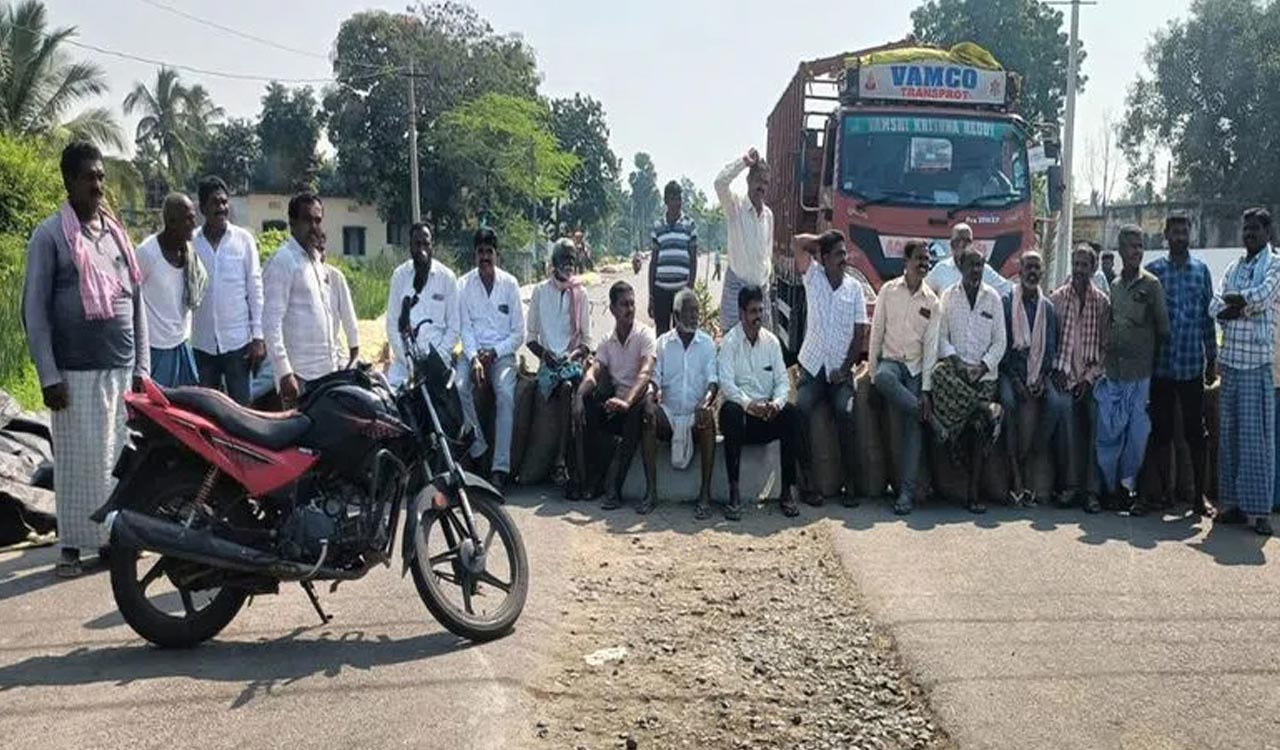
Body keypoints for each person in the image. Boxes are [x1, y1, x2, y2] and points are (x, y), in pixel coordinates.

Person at [22, 141, 150, 577]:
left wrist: (141, 368)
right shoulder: (49, 235)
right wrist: (47, 374)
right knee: (78, 464)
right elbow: (34, 311)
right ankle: (72, 548)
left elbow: (135, 303)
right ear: (68, 181)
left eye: (100, 176)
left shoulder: (115, 234)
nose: (97, 185)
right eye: (88, 177)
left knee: (114, 460)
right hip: (72, 374)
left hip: (120, 366)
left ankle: (110, 540)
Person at [1211, 208, 1280, 536]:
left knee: (1258, 440)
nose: (1249, 234)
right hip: (1231, 365)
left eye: (1255, 229)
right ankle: (1231, 505)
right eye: (1246, 229)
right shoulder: (1234, 267)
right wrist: (1238, 306)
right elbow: (1215, 305)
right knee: (1230, 439)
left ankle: (1261, 512)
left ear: (1268, 232)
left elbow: (1264, 296)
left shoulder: (1276, 263)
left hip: (1256, 365)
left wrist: (1237, 304)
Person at [790, 230, 869, 508]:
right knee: (799, 411)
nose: (843, 259)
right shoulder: (813, 278)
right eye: (837, 254)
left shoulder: (854, 289)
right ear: (823, 258)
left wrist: (845, 369)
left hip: (839, 372)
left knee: (845, 414)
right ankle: (809, 483)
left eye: (844, 254)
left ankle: (851, 482)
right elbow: (797, 243)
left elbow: (860, 332)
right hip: (813, 368)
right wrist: (824, 239)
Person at [1094, 226, 1169, 514]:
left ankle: (1128, 488)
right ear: (1121, 250)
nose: (1136, 251)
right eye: (1131, 246)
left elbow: (1163, 330)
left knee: (1137, 438)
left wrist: (1155, 372)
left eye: (1140, 246)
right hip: (1114, 372)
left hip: (1141, 375)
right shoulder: (1112, 286)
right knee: (1109, 433)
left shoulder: (1152, 285)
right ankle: (1110, 489)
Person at [926, 247, 1007, 514]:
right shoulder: (947, 297)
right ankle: (985, 407)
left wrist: (982, 367)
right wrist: (959, 364)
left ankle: (973, 494)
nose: (976, 271)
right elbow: (941, 339)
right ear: (960, 266)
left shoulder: (993, 298)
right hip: (956, 374)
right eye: (971, 265)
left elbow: (1000, 342)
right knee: (938, 374)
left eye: (980, 266)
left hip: (983, 377)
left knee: (977, 427)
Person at [1145, 215, 1216, 516]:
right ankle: (1165, 494)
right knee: (1161, 432)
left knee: (1194, 433)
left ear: (1190, 234)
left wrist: (1212, 358)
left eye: (1184, 231)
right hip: (1160, 367)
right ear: (1166, 236)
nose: (1180, 236)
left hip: (1190, 366)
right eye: (1174, 232)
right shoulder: (1154, 272)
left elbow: (1208, 317)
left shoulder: (1202, 271)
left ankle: (1199, 497)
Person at [717, 284, 801, 520]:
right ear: (742, 313)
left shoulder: (772, 342)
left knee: (792, 414)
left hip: (767, 416)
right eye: (753, 312)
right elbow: (727, 384)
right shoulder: (730, 343)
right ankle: (734, 493)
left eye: (761, 311)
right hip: (743, 418)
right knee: (730, 412)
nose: (758, 317)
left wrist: (776, 403)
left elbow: (783, 382)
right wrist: (750, 405)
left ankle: (787, 491)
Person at [571, 281, 657, 512]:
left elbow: (645, 374)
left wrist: (626, 401)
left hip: (639, 399)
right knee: (588, 407)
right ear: (612, 309)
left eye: (632, 304)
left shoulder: (644, 335)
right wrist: (579, 396)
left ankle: (616, 489)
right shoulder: (607, 341)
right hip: (617, 401)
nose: (630, 309)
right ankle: (590, 480)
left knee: (636, 411)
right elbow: (594, 371)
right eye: (624, 304)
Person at [869, 240, 940, 515]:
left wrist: (926, 390)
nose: (924, 263)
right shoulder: (888, 291)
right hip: (890, 364)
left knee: (914, 425)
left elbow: (931, 349)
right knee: (885, 380)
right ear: (906, 261)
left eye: (927, 260)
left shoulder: (932, 302)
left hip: (914, 369)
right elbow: (876, 333)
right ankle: (930, 418)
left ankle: (906, 494)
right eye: (919, 258)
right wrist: (873, 373)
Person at [997, 251, 1069, 507]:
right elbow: (1002, 346)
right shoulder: (1006, 302)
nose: (1032, 273)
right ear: (1020, 271)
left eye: (1037, 269)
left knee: (1057, 405)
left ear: (1042, 273)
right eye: (1028, 267)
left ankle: (1032, 455)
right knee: (1008, 402)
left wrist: (1039, 378)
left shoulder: (1047, 307)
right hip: (1010, 372)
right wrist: (1017, 379)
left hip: (1038, 372)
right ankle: (1014, 467)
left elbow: (1050, 348)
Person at [457, 227, 524, 490]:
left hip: (502, 355)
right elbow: (464, 328)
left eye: (489, 252)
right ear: (475, 254)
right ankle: (478, 450)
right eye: (480, 252)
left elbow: (518, 333)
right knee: (460, 386)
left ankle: (499, 468)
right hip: (472, 353)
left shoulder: (510, 284)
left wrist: (494, 352)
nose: (484, 257)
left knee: (506, 395)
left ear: (497, 254)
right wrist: (474, 358)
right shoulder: (463, 284)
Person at [191, 175, 265, 405]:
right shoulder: (191, 242)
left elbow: (255, 288)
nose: (222, 208)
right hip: (202, 345)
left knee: (243, 412)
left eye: (224, 202)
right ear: (203, 208)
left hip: (238, 344)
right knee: (208, 411)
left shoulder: (243, 240)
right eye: (215, 203)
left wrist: (258, 337)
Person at [1048, 243, 1111, 512]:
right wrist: (1057, 371)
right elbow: (1049, 340)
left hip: (1091, 378)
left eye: (1085, 265)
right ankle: (1070, 487)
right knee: (1066, 422)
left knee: (1096, 421)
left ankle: (1092, 492)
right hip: (1063, 375)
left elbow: (1105, 348)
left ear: (1094, 268)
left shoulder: (1102, 302)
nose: (1079, 270)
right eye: (1076, 264)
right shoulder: (1057, 299)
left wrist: (1088, 378)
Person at [528, 238, 592, 491]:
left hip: (571, 362)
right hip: (547, 364)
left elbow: (586, 341)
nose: (568, 265)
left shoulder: (581, 293)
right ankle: (560, 461)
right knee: (561, 383)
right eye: (564, 259)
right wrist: (546, 355)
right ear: (553, 263)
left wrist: (572, 355)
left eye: (572, 260)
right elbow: (530, 339)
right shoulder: (540, 292)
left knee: (567, 387)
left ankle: (561, 460)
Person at [262, 192, 336, 408]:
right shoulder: (283, 260)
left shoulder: (315, 261)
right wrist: (284, 373)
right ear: (292, 223)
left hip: (324, 375)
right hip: (299, 377)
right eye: (307, 220)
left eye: (318, 220)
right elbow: (271, 322)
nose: (314, 226)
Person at [650, 289, 719, 518]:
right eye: (689, 312)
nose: (694, 317)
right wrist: (652, 394)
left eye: (697, 312)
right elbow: (654, 379)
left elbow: (713, 382)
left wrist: (705, 402)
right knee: (647, 414)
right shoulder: (662, 344)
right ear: (676, 315)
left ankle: (705, 495)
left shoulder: (707, 344)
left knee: (708, 419)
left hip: (694, 417)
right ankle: (651, 492)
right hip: (669, 416)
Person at [136, 193, 206, 388]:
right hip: (154, 348)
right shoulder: (147, 253)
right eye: (188, 219)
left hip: (182, 343)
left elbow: (199, 283)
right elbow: (129, 295)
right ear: (172, 222)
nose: (194, 224)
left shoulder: (189, 252)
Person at [386, 223, 459, 387]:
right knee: (390, 406)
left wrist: (436, 360)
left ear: (432, 245)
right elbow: (392, 324)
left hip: (437, 362)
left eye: (426, 244)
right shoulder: (399, 276)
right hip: (404, 366)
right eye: (417, 244)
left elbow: (454, 327)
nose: (422, 250)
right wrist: (408, 361)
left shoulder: (447, 278)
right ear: (410, 246)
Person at [714, 147, 774, 332]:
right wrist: (744, 162)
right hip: (736, 291)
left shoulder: (768, 216)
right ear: (749, 180)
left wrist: (767, 280)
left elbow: (767, 253)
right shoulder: (735, 206)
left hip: (760, 293)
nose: (761, 187)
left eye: (765, 182)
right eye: (758, 181)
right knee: (731, 346)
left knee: (763, 349)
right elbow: (719, 183)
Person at [649, 181, 698, 334]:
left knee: (682, 333)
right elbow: (654, 262)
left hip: (681, 290)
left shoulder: (689, 225)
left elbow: (693, 260)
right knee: (662, 334)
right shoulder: (658, 226)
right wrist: (651, 295)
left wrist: (689, 288)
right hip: (660, 290)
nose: (677, 203)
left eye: (679, 198)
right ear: (666, 201)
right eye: (672, 199)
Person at [924, 223, 1013, 296]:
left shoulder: (983, 270)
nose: (962, 245)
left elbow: (1008, 289)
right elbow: (923, 291)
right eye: (958, 241)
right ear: (951, 245)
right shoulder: (941, 269)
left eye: (967, 241)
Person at [318, 231, 358, 370]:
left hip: (333, 354)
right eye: (314, 250)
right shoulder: (295, 276)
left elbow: (350, 320)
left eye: (321, 249)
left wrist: (354, 357)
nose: (318, 255)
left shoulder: (336, 278)